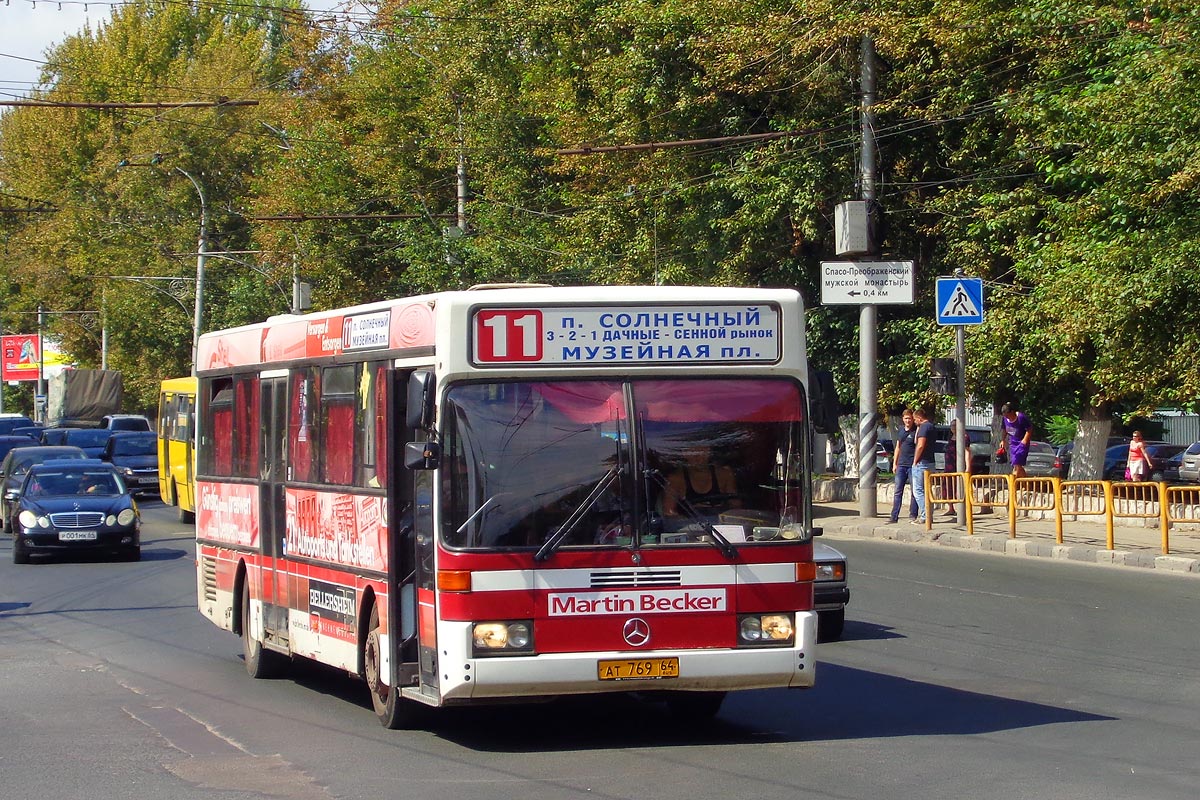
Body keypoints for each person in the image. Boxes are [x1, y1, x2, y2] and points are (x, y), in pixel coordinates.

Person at [662, 445, 739, 518]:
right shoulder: (676, 479)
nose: (698, 458)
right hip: (689, 528)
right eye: (693, 453)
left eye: (702, 451)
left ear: (709, 451)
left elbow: (736, 506)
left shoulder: (724, 474)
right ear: (684, 454)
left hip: (720, 527)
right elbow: (668, 512)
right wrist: (685, 522)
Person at [887, 409, 920, 524]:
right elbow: (898, 447)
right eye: (906, 418)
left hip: (912, 465)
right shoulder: (901, 430)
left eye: (910, 418)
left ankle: (913, 514)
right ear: (903, 419)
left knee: (914, 491)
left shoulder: (916, 431)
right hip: (901, 465)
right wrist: (895, 463)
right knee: (897, 491)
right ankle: (894, 516)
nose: (908, 421)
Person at [940, 419, 970, 517]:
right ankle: (951, 508)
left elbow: (967, 451)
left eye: (954, 425)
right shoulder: (951, 436)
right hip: (949, 465)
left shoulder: (964, 437)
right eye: (951, 425)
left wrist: (968, 466)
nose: (952, 427)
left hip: (958, 465)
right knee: (948, 486)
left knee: (960, 486)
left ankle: (964, 509)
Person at [910, 407, 936, 524]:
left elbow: (920, 445)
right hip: (931, 462)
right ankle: (929, 515)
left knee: (918, 491)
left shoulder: (924, 428)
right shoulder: (931, 426)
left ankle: (925, 516)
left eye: (915, 420)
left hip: (922, 462)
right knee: (927, 490)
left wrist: (915, 461)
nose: (914, 422)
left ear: (919, 418)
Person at [997, 402, 1033, 478]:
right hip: (1013, 443)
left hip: (1022, 443)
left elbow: (1029, 429)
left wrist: (1025, 440)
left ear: (1012, 412)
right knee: (1016, 464)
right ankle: (1026, 483)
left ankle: (1015, 482)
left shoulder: (1021, 417)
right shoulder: (1005, 419)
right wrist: (1003, 440)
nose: (1007, 417)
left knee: (1017, 463)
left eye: (1007, 415)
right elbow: (1004, 430)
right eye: (1005, 416)